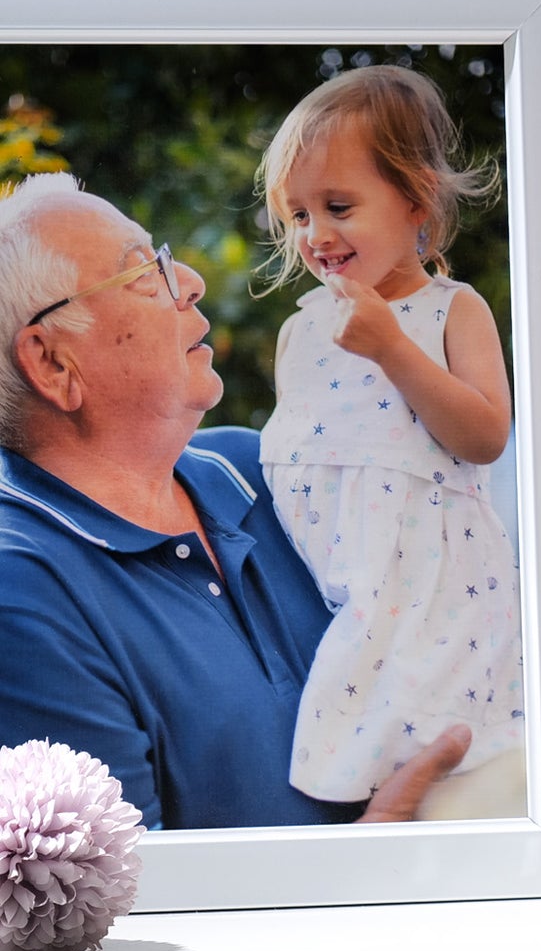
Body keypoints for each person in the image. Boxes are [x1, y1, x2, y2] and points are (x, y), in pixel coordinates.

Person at [0, 174, 468, 828]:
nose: (190, 281)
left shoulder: (262, 468)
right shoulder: (22, 593)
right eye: (143, 274)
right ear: (53, 364)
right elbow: (130, 887)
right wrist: (383, 841)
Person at [255, 65, 525, 814]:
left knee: (446, 758)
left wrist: (393, 350)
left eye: (338, 206)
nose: (316, 235)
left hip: (434, 590)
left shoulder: (451, 310)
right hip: (337, 592)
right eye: (299, 214)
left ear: (416, 200)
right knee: (348, 762)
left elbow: (484, 435)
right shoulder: (302, 331)